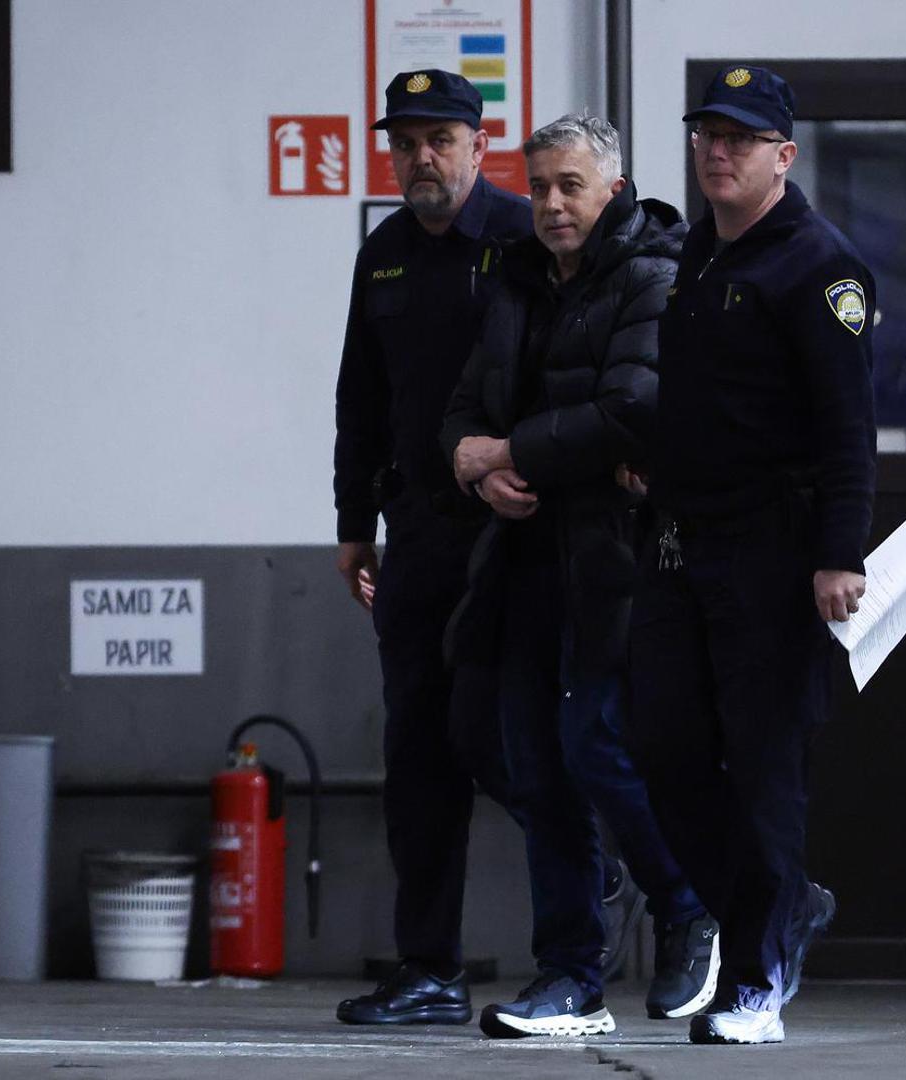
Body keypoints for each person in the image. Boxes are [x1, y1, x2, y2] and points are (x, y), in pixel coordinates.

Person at [440, 113, 719, 1038]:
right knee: (531, 763)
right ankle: (569, 978)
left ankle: (690, 904)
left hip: (615, 558)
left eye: (571, 186)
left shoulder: (654, 273)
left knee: (593, 742)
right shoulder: (519, 280)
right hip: (522, 555)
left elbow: (631, 408)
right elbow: (463, 411)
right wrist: (474, 466)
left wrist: (508, 450)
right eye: (540, 187)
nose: (552, 205)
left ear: (614, 189)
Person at [625, 65, 877, 1046]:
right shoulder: (700, 250)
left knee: (766, 766)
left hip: (774, 550)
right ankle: (783, 908)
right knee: (662, 750)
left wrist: (839, 553)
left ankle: (756, 981)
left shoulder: (820, 266)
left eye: (739, 139)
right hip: (680, 542)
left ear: (784, 155)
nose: (717, 152)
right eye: (707, 135)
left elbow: (847, 426)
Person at [331, 68, 538, 1026]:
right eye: (405, 142)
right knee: (416, 753)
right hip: (415, 536)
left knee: (500, 736)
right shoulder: (383, 255)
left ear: (479, 146)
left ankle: (608, 877)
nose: (422, 157)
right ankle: (430, 972)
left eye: (440, 140)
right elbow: (359, 400)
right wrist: (352, 527)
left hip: (514, 534)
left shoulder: (525, 239)